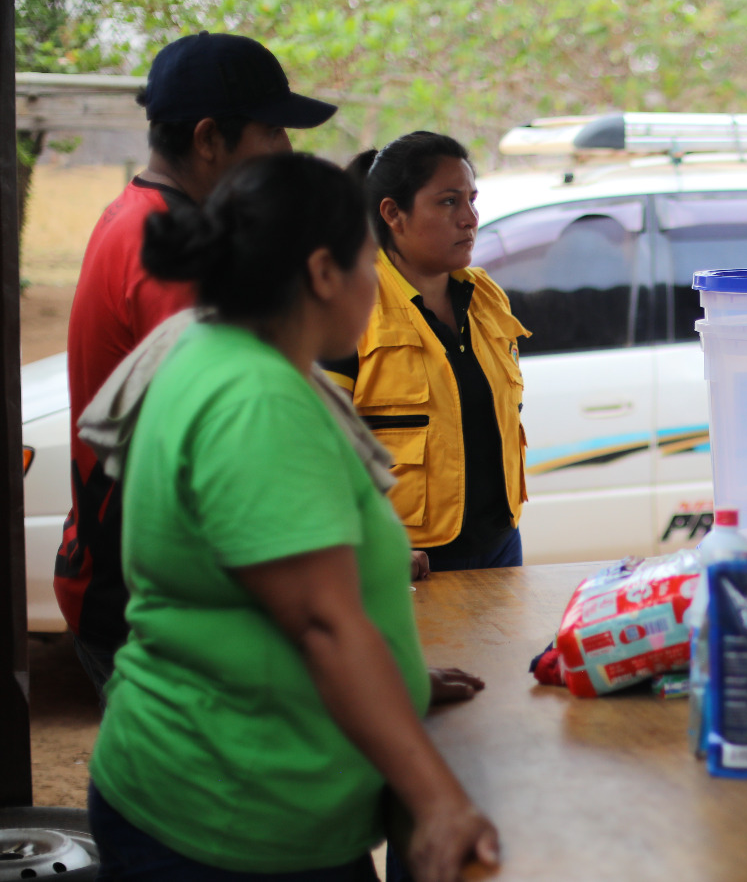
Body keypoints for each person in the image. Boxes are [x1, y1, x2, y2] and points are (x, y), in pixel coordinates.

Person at [87, 152, 498, 881]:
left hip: (227, 791)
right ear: (320, 272)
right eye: (369, 263)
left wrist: (396, 675)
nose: (376, 287)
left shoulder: (212, 346)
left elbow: (264, 597)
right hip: (230, 818)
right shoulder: (259, 401)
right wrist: (438, 799)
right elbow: (321, 624)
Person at [52, 32, 337, 699]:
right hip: (150, 596)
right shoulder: (178, 256)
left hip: (118, 571)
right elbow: (223, 463)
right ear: (210, 139)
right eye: (272, 131)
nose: (286, 151)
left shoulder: (135, 215)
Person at [325, 133, 529, 570]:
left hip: (501, 543)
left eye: (472, 200)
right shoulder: (351, 304)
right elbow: (317, 448)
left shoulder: (487, 297)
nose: (470, 218)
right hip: (408, 561)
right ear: (393, 214)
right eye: (448, 202)